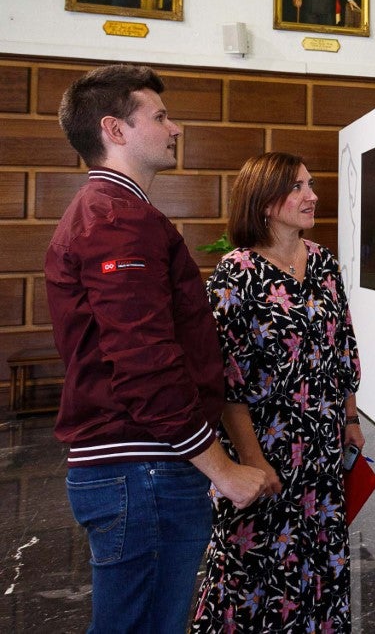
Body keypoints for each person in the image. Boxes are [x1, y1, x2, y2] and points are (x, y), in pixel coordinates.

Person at [44, 64, 267, 633]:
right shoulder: (116, 217)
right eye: (160, 116)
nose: (175, 128)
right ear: (115, 130)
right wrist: (222, 469)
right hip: (139, 467)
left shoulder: (115, 213)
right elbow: (144, 361)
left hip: (142, 464)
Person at [193, 152, 363, 632]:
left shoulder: (324, 263)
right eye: (298, 188)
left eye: (310, 185)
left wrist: (350, 419)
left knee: (320, 567)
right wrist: (252, 461)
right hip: (264, 450)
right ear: (266, 202)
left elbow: (344, 345)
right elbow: (227, 381)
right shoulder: (236, 272)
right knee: (250, 572)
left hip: (323, 453)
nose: (312, 196)